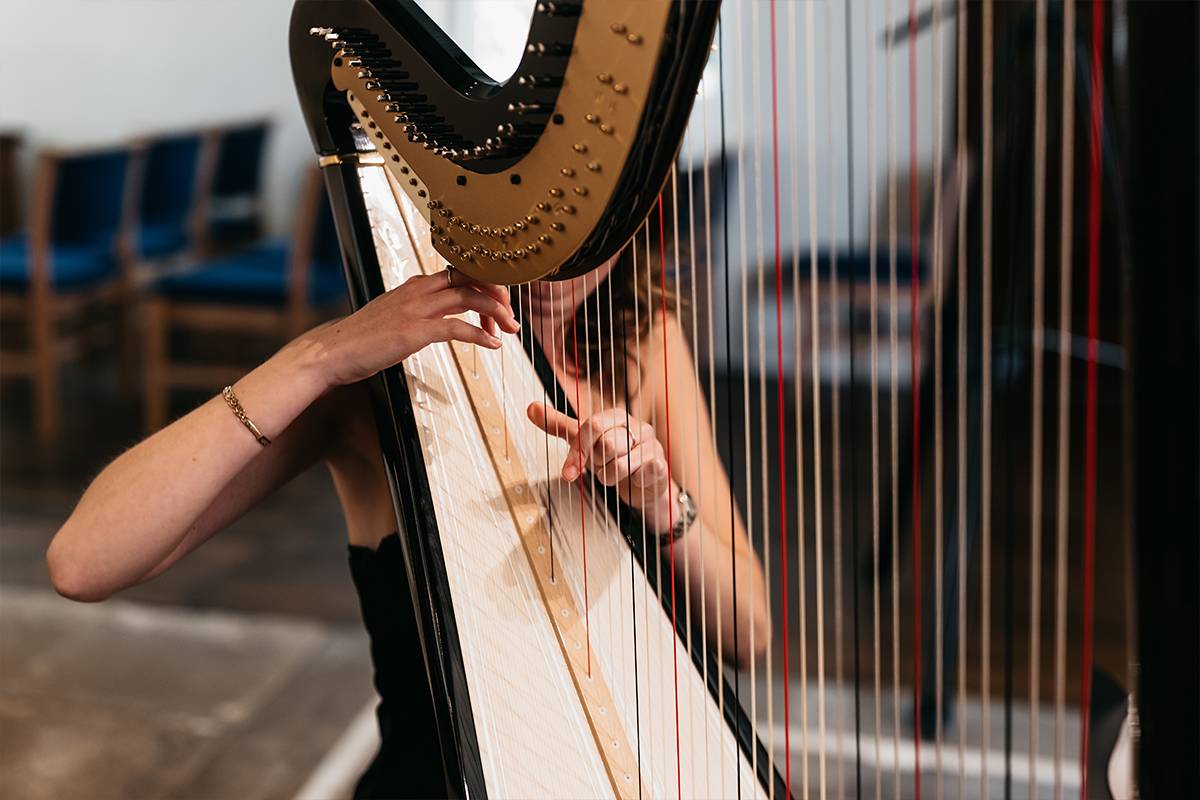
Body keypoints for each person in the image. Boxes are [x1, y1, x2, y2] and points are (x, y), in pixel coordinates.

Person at [46, 249, 769, 796]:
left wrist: (658, 502)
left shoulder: (640, 335)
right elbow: (84, 562)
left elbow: (750, 633)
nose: (567, 266)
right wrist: (317, 356)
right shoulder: (381, 379)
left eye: (598, 230)